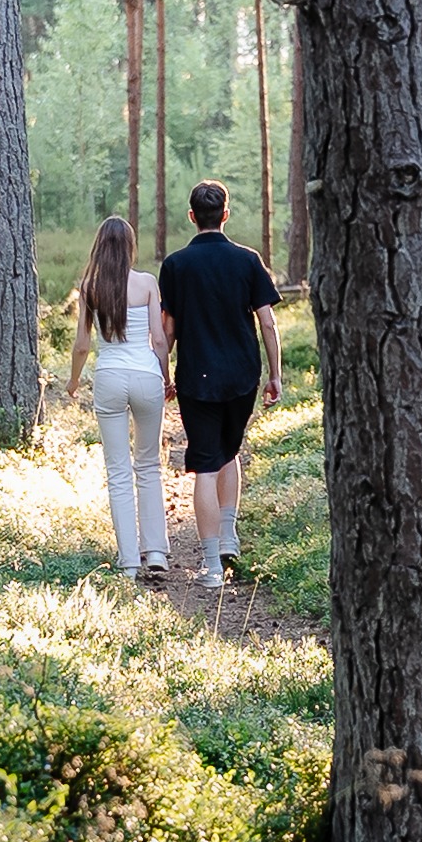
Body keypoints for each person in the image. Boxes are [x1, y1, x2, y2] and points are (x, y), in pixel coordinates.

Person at [158, 180, 282, 589]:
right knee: (230, 452)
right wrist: (275, 374)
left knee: (206, 466)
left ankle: (212, 565)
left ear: (192, 217)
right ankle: (229, 536)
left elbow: (168, 329)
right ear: (225, 215)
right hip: (243, 375)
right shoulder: (248, 260)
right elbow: (267, 320)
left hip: (197, 377)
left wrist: (164, 372)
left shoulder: (176, 265)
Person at [67, 216, 172, 580]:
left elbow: (82, 345)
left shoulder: (90, 286)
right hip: (145, 376)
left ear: (99, 246)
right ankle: (156, 551)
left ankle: (129, 561)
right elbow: (159, 340)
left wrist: (73, 381)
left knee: (117, 471)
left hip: (109, 376)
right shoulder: (146, 283)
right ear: (129, 246)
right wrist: (166, 376)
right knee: (149, 466)